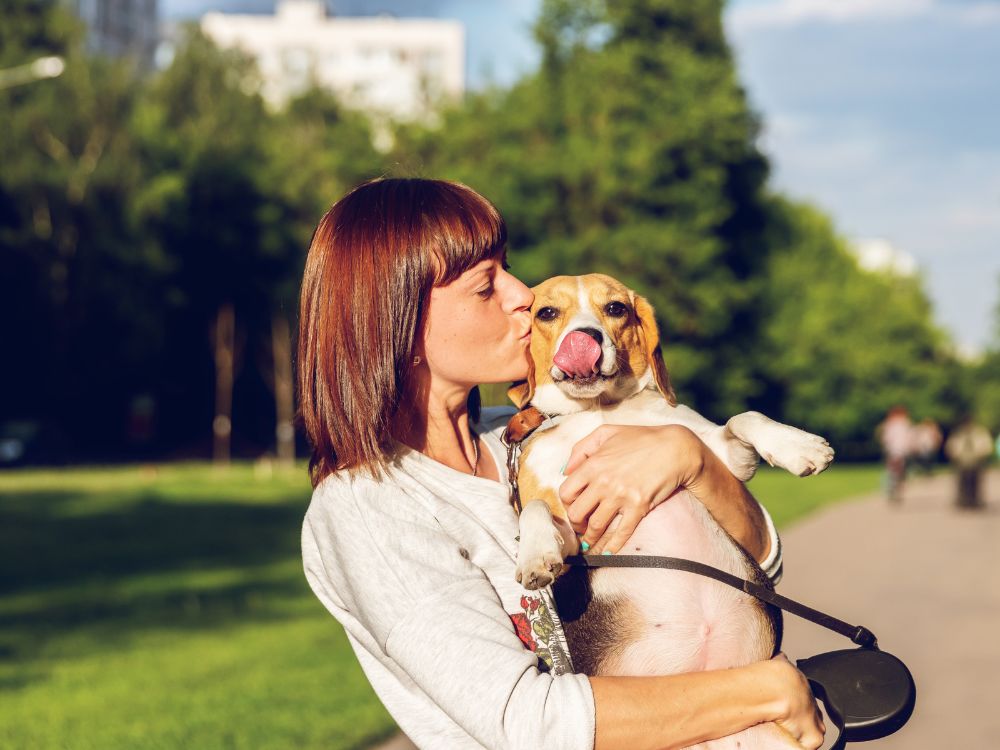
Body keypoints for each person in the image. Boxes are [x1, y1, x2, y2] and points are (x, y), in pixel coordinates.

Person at [297, 178, 824, 750]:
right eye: (484, 285)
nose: (521, 294)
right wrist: (763, 691)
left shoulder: (531, 435)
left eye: (508, 268)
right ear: (399, 322)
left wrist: (691, 458)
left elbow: (758, 572)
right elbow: (528, 725)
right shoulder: (369, 506)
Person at [944, 417, 993, 510]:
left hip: (976, 460)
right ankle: (963, 500)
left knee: (976, 483)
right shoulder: (959, 434)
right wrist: (954, 454)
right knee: (962, 483)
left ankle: (975, 500)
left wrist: (982, 454)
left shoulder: (979, 432)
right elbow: (952, 445)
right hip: (962, 461)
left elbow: (985, 444)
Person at [876, 406, 912, 504]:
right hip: (901, 451)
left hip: (893, 450)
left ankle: (891, 489)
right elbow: (909, 439)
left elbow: (885, 438)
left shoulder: (890, 424)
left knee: (892, 471)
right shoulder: (905, 423)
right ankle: (895, 490)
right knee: (899, 473)